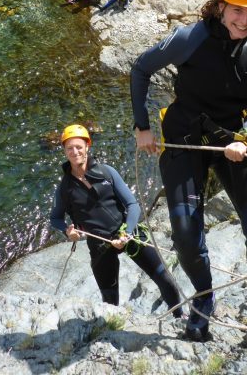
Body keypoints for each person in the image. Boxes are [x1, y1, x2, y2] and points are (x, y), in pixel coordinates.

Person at [131, 0, 247, 341]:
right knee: (186, 231)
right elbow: (140, 69)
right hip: (184, 137)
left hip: (231, 141)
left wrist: (245, 137)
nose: (245, 20)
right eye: (238, 9)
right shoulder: (189, 39)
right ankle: (203, 300)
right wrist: (142, 126)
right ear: (220, 5)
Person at [49, 124, 183, 317]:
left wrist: (127, 233)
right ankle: (114, 329)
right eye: (69, 148)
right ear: (64, 151)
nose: (75, 151)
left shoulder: (106, 172)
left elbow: (132, 205)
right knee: (109, 298)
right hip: (99, 245)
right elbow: (55, 218)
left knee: (163, 277)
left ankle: (180, 316)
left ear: (88, 146)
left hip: (128, 234)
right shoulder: (64, 188)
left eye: (79, 146)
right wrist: (67, 230)